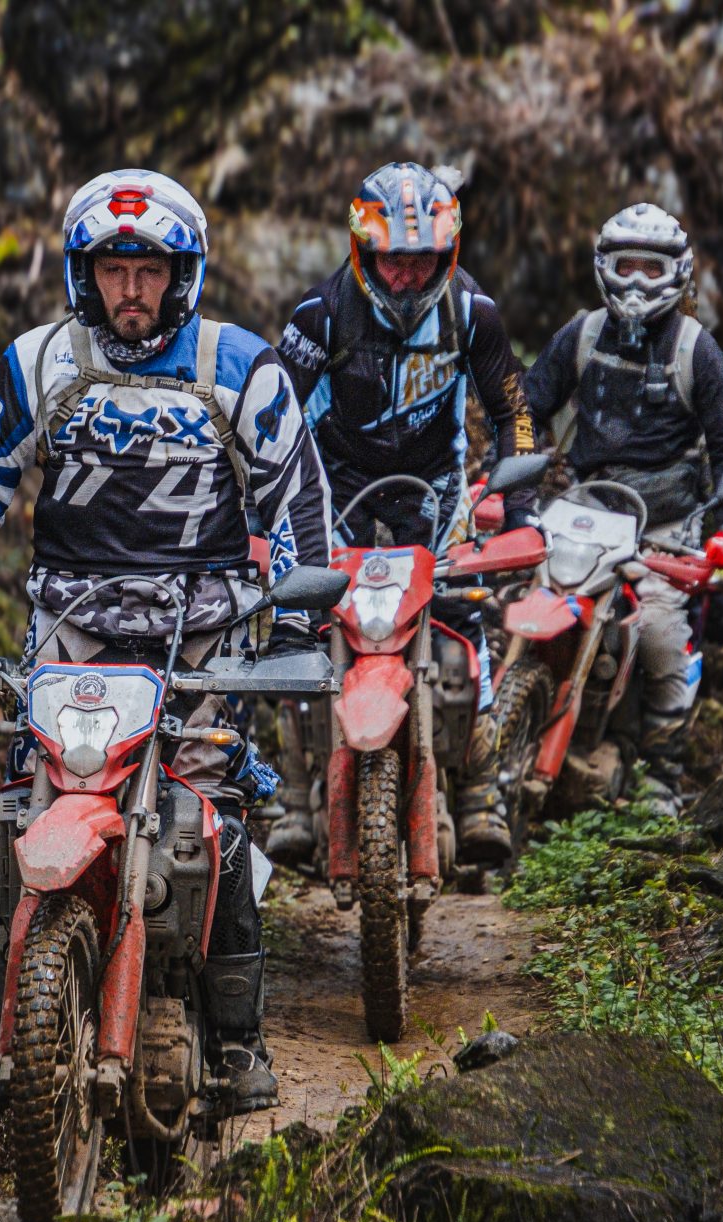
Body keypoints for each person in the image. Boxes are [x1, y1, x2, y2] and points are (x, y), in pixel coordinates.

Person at [0, 167, 333, 1114]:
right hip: (71, 634)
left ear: (184, 274)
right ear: (84, 273)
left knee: (211, 822)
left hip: (203, 639)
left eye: (150, 270)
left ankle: (238, 1039)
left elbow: (295, 496)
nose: (131, 289)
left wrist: (295, 619)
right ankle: (11, 1027)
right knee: (21, 811)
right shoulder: (37, 364)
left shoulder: (240, 367)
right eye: (113, 269)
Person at [269, 161, 541, 868]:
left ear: (447, 255)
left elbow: (514, 410)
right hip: (334, 485)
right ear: (363, 251)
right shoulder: (320, 314)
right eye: (393, 262)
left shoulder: (472, 312)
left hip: (433, 487)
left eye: (422, 264)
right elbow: (270, 421)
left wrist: (520, 508)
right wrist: (258, 515)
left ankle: (478, 789)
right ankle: (292, 791)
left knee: (463, 617)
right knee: (299, 622)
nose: (406, 280)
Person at [523, 202, 723, 796]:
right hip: (584, 511)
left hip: (666, 526)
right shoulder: (582, 334)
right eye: (625, 266)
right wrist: (508, 481)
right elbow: (525, 409)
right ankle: (500, 746)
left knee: (656, 634)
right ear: (604, 266)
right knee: (518, 607)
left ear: (677, 272)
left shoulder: (696, 350)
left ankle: (662, 782)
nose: (636, 281)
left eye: (651, 269)